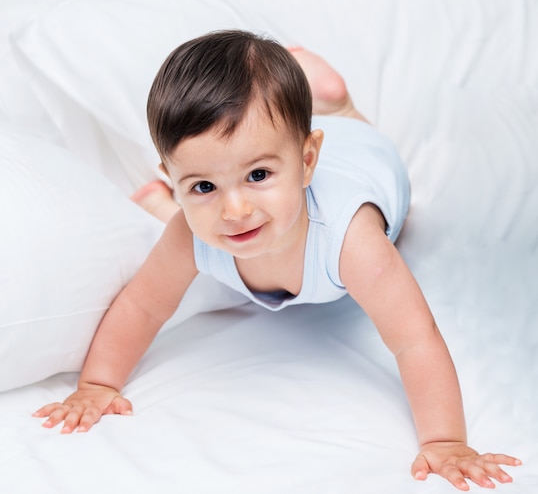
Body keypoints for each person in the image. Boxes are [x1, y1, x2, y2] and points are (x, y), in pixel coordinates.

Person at [33, 30, 521, 490]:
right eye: (202, 186)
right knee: (200, 227)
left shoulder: (353, 243)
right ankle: (192, 191)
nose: (235, 209)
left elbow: (416, 340)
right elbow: (142, 305)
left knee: (400, 217)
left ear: (308, 161)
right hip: (286, 173)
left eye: (259, 175)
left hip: (365, 161)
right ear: (175, 176)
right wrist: (97, 384)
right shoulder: (195, 232)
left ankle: (340, 109)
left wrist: (445, 441)